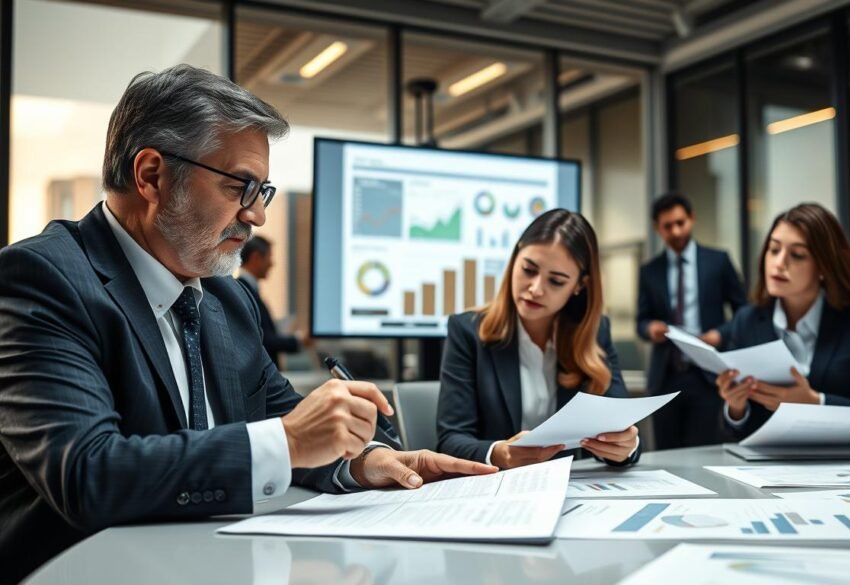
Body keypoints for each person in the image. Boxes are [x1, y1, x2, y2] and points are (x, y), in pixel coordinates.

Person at [0, 64, 494, 584]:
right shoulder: (41, 278)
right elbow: (86, 474)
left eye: (264, 191)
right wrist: (289, 440)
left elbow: (291, 422)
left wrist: (363, 460)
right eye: (241, 186)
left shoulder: (226, 299)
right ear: (151, 175)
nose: (256, 215)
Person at [437, 209, 641, 469]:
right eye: (528, 270)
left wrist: (626, 446)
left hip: (574, 491)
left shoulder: (595, 331)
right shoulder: (467, 331)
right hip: (498, 488)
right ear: (515, 259)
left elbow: (623, 428)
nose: (536, 289)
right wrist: (501, 453)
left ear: (580, 285)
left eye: (556, 281)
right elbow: (449, 441)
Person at [704, 203, 850, 438]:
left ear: (823, 267)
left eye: (797, 255)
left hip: (848, 464)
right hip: (767, 470)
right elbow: (735, 431)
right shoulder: (747, 320)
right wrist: (735, 407)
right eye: (773, 249)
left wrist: (815, 402)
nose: (779, 263)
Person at [636, 193, 745, 449]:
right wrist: (649, 328)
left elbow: (744, 313)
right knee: (665, 454)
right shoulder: (650, 271)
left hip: (708, 376)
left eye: (680, 223)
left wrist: (720, 334)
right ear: (657, 228)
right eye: (667, 226)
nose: (675, 231)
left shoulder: (718, 261)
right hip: (666, 376)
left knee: (706, 451)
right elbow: (641, 320)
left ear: (692, 219)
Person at [237, 235, 308, 367]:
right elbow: (262, 339)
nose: (272, 263)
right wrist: (298, 341)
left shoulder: (248, 290)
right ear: (256, 257)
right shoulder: (243, 291)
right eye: (269, 257)